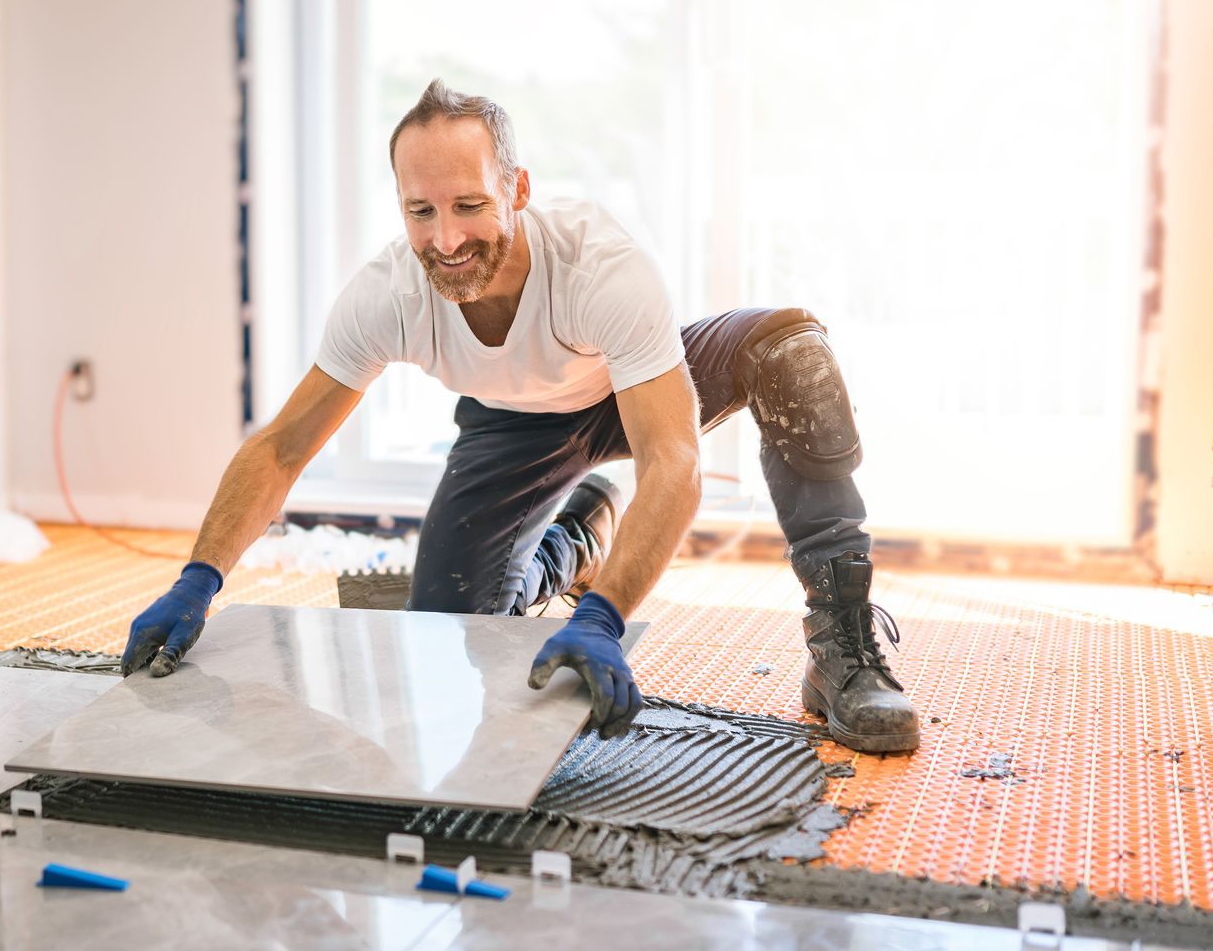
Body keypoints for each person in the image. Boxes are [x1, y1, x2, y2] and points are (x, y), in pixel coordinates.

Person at [119, 80, 919, 752]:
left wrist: (606, 620)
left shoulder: (600, 267)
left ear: (518, 190)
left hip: (630, 389)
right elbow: (281, 450)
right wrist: (199, 579)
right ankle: (571, 543)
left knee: (792, 351)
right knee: (451, 640)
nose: (447, 238)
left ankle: (841, 642)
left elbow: (671, 461)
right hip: (512, 429)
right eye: (420, 212)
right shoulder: (386, 295)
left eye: (469, 204)